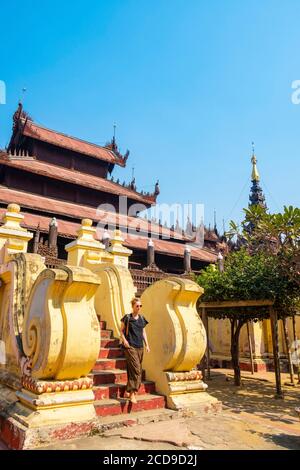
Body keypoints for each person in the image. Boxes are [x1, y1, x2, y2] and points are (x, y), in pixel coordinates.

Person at [120, 297, 150, 403]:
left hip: (140, 347)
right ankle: (132, 393)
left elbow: (143, 332)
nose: (139, 308)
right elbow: (121, 330)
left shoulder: (142, 319)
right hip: (130, 346)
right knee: (137, 369)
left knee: (133, 369)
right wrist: (125, 341)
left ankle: (127, 390)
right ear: (133, 306)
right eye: (137, 306)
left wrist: (147, 345)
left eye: (140, 306)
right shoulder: (127, 318)